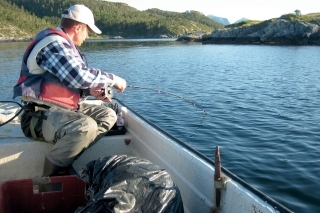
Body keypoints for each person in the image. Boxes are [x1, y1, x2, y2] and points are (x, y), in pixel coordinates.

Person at [13, 4, 127, 176]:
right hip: (37, 117)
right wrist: (114, 79)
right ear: (78, 27)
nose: (87, 37)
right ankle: (52, 178)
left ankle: (68, 154)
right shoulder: (54, 45)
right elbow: (78, 76)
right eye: (88, 31)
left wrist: (89, 92)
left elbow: (67, 85)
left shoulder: (63, 45)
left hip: (62, 112)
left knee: (108, 115)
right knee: (85, 126)